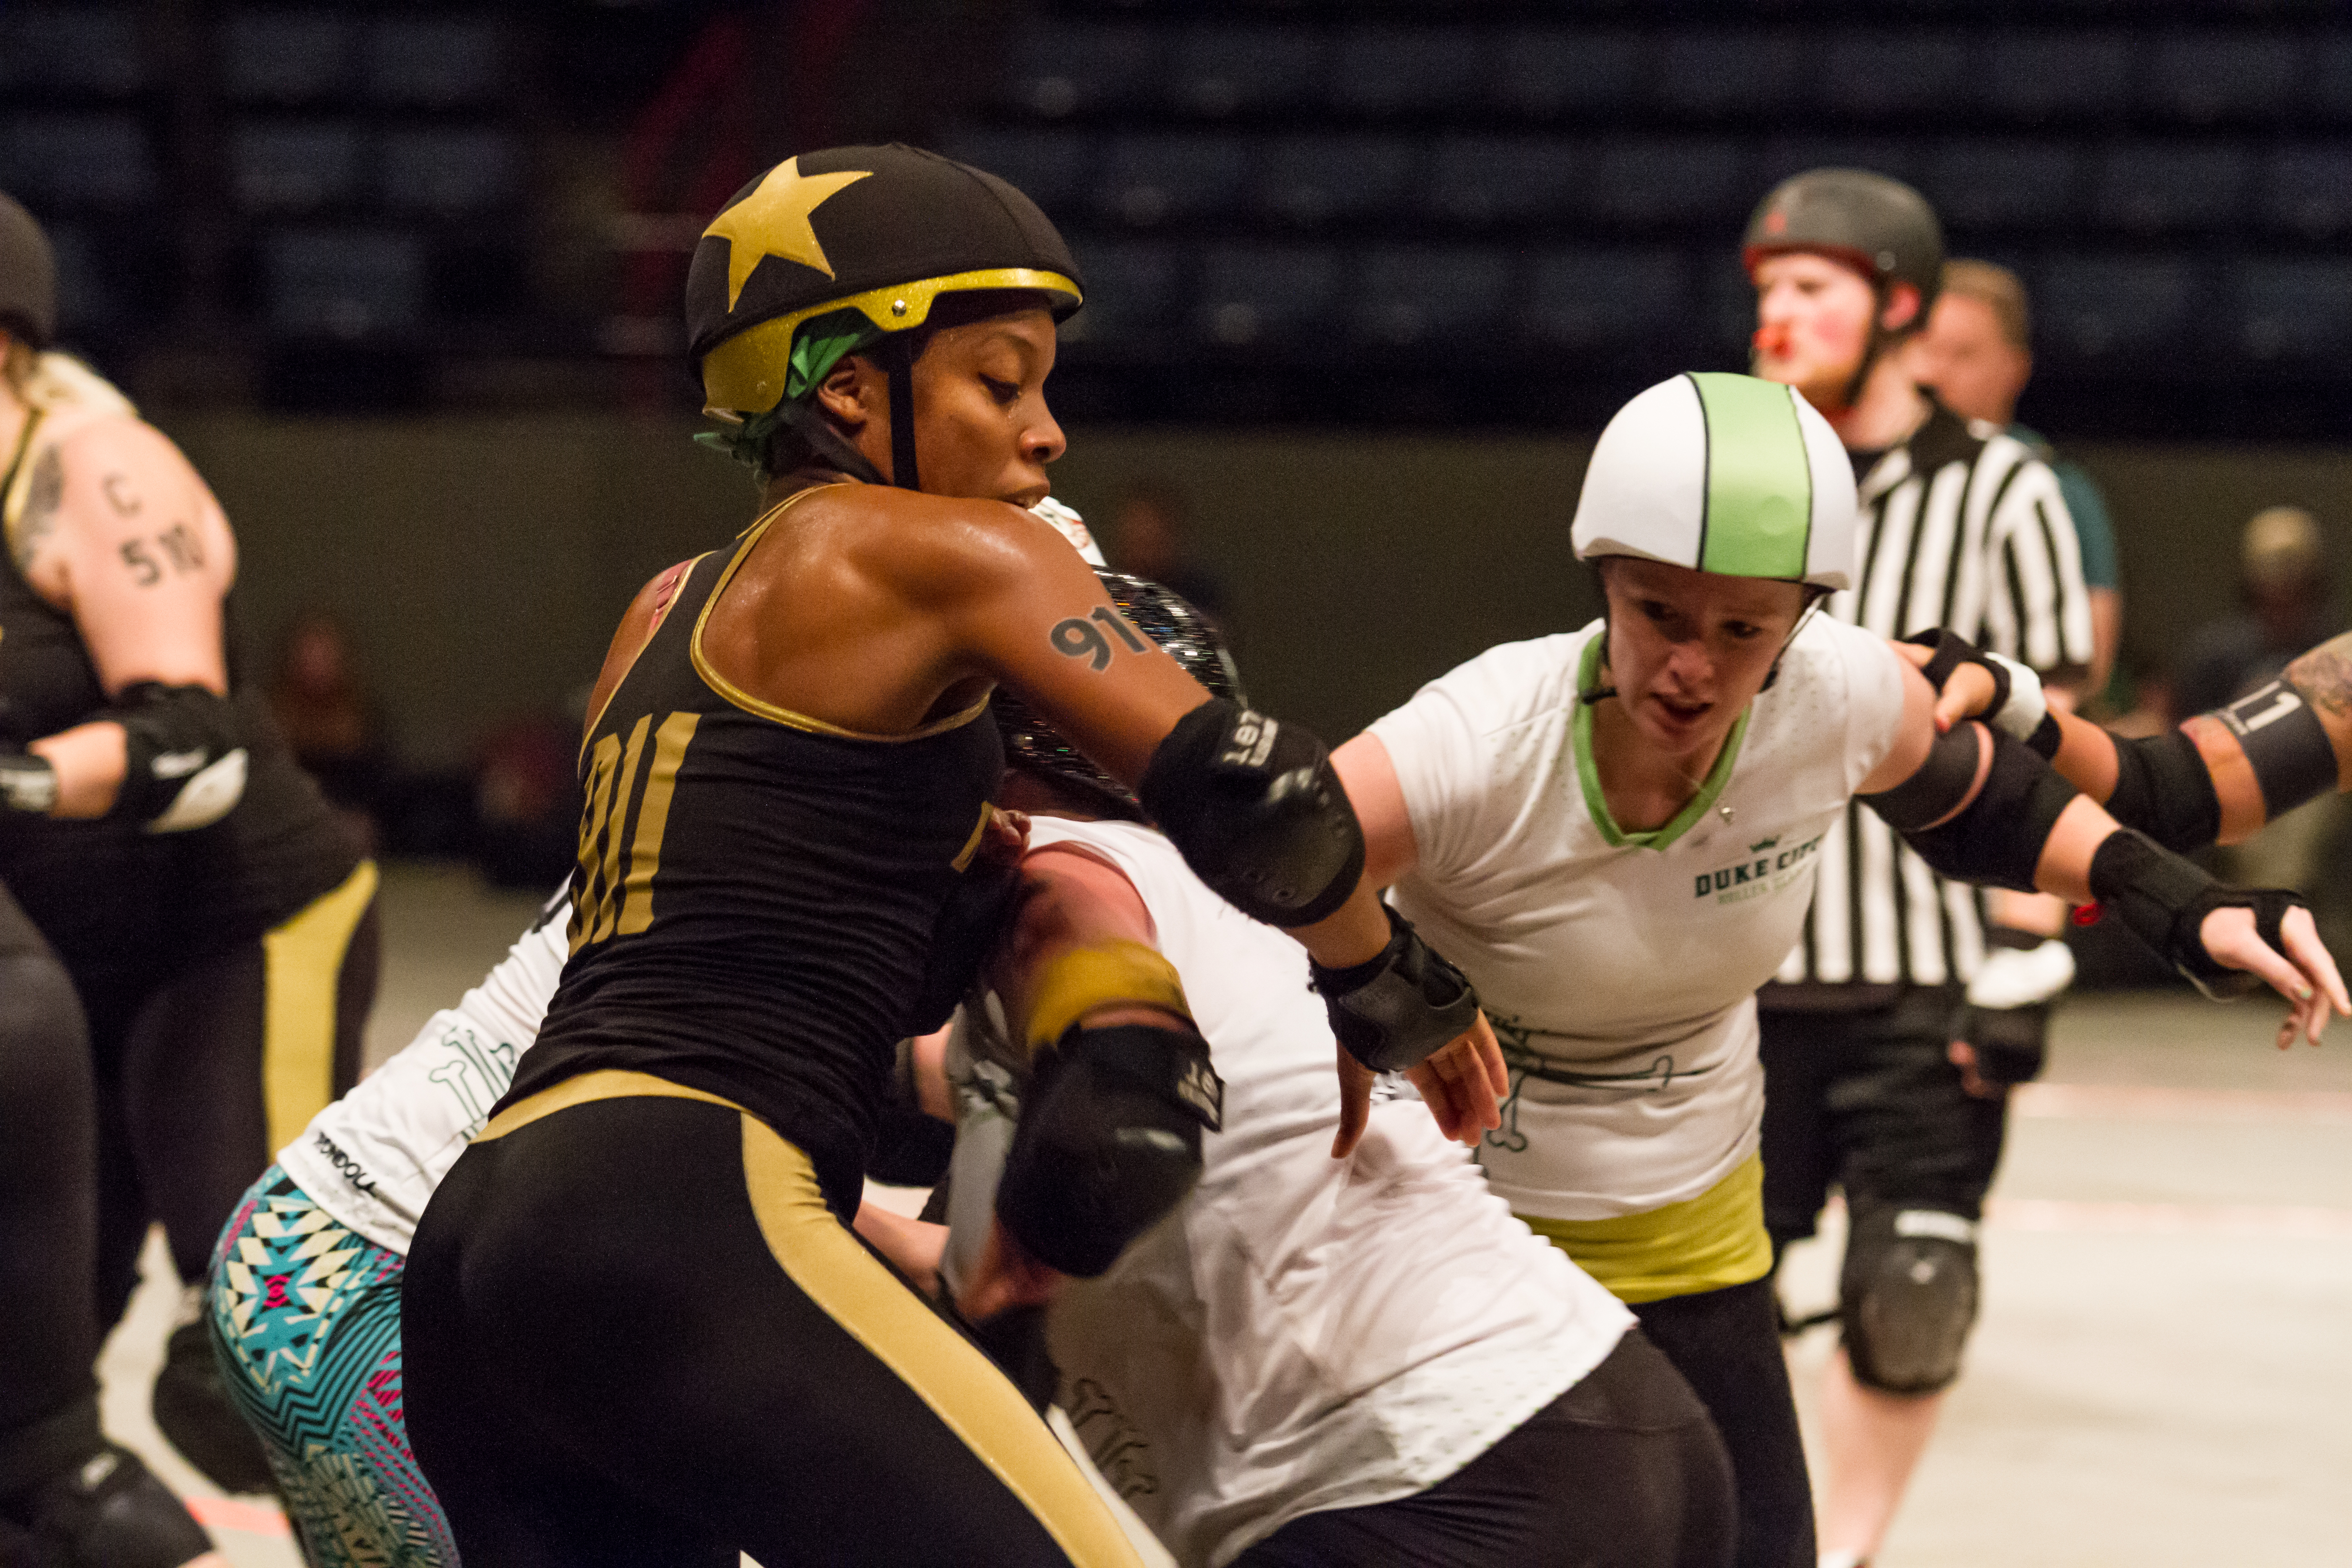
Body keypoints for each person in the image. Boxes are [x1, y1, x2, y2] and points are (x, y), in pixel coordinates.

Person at [400, 145, 1499, 1568]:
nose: (1046, 436)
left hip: (484, 1234)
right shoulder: (946, 554)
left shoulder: (665, 608)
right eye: (1000, 381)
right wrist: (1388, 982)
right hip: (677, 1202)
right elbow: (1258, 793)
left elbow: (809, 946)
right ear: (852, 389)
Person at [1322, 371, 2340, 1568]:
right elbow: (1276, 851)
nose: (1694, 668)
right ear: (1604, 580)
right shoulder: (1484, 739)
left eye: (1745, 630)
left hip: (1693, 1238)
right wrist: (1381, 974)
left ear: (1803, 618)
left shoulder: (1831, 691)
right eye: (1659, 614)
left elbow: (1996, 803)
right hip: (1463, 1237)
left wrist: (2186, 914)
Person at [204, 496, 1101, 1568]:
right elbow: (720, 1142)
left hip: (414, 1247)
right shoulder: (817, 819)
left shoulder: (799, 777)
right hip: (365, 1264)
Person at [878, 573, 1734, 1568]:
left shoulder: (1062, 867)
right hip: (1606, 1419)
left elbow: (1113, 1106)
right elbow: (966, 1217)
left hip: (1432, 1477)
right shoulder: (1225, 922)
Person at [0, 186, 376, 1551]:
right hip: (62, 970)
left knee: (254, 1349)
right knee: (31, 1370)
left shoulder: (93, 467)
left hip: (237, 930)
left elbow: (197, 744)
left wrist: (22, 778)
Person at [1741, 171, 2097, 1568]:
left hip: (1925, 980)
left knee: (1917, 1288)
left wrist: (2028, 950)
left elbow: (2051, 735)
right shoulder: (1734, 462)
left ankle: (1844, 1557)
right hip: (1740, 968)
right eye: (1767, 288)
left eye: (1812, 289)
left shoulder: (2008, 487)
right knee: (1696, 1298)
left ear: (1896, 304)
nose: (1778, 314)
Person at [1908, 259, 2125, 696]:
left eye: (1963, 354)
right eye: (1928, 349)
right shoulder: (1885, 473)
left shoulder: (2050, 486)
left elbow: (2086, 666)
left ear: (2016, 369)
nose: (1936, 373)